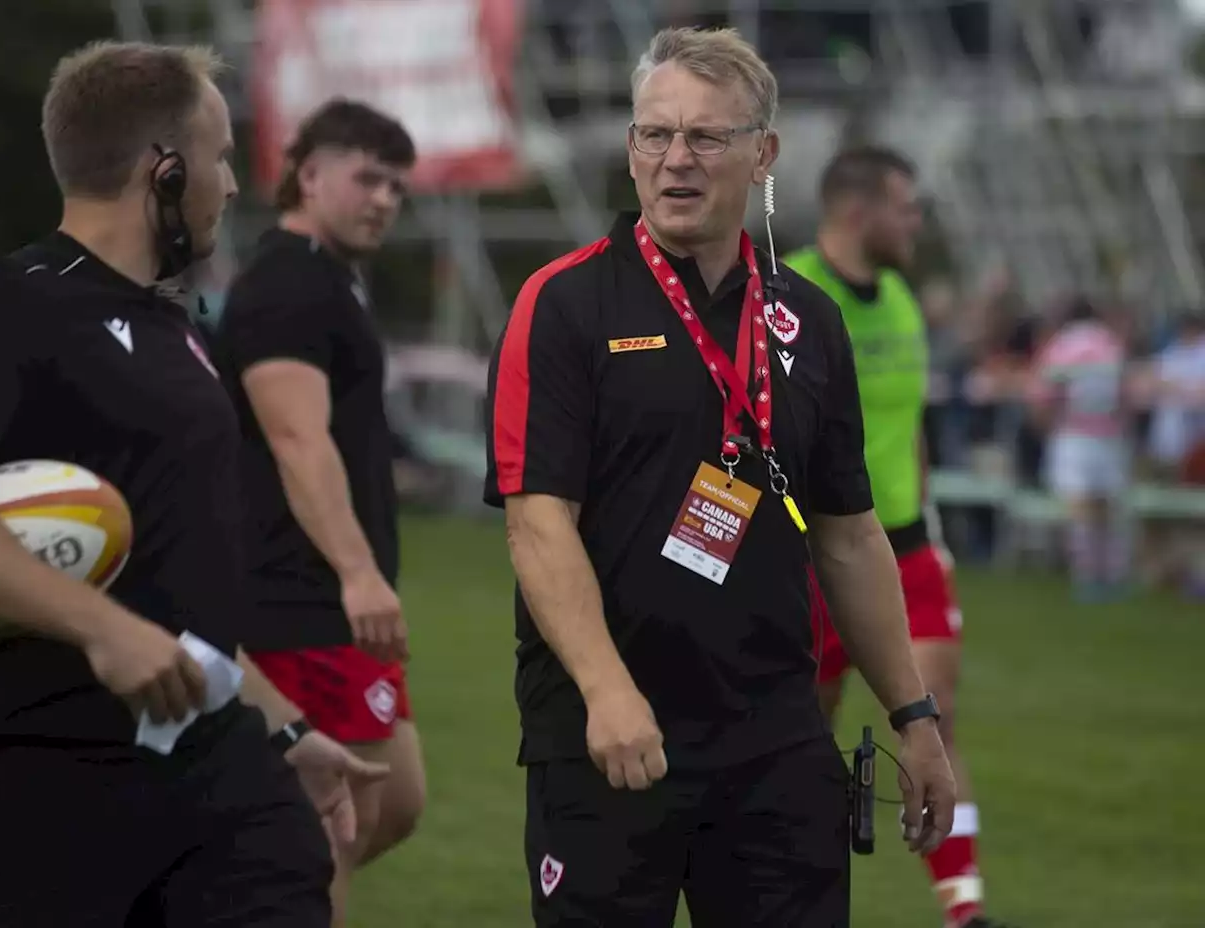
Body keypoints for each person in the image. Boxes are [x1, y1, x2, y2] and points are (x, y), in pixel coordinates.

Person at [483, 26, 955, 927]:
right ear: (630, 151)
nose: (676, 160)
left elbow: (851, 536)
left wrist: (914, 715)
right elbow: (536, 522)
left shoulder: (808, 319)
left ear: (763, 153)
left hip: (774, 742)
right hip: (608, 737)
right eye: (654, 135)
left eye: (707, 137)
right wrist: (606, 689)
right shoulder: (566, 302)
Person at [0, 41, 387, 928]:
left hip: (217, 778)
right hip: (36, 784)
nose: (234, 184)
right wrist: (100, 627)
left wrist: (288, 730)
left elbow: (181, 598)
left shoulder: (176, 329)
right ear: (164, 170)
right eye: (218, 158)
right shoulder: (13, 305)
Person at [785, 145, 1017, 928]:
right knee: (796, 736)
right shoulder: (791, 295)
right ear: (860, 211)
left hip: (910, 547)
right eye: (905, 207)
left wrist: (933, 527)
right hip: (813, 553)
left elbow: (907, 426)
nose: (916, 221)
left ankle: (966, 911)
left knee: (934, 716)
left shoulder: (902, 302)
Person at [214, 98, 424, 925]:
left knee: (394, 800)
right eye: (368, 178)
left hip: (331, 602)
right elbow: (297, 438)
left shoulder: (330, 278)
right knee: (328, 829)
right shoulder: (289, 283)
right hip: (302, 598)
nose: (384, 200)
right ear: (307, 174)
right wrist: (358, 573)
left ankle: (226, 895)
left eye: (398, 188)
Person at [1026, 295, 1134, 601]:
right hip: (1110, 434)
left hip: (1073, 433)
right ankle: (1113, 574)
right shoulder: (1111, 343)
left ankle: (1087, 577)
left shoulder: (1061, 346)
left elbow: (1043, 393)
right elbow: (1127, 393)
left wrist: (1046, 427)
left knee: (1079, 507)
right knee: (1107, 507)